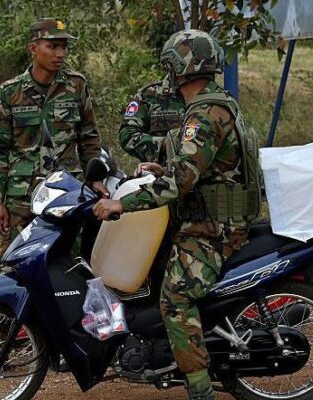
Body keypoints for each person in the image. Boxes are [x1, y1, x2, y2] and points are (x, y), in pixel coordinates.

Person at [94, 29, 261, 400]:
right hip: (212, 216)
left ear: (180, 69)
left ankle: (200, 389)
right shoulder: (215, 103)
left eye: (170, 66)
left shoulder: (204, 113)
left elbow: (181, 181)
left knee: (175, 298)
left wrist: (122, 204)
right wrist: (164, 167)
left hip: (213, 226)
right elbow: (196, 166)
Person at [0, 18, 105, 255]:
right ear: (34, 48)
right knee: (14, 260)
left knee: (70, 259)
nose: (60, 54)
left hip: (67, 193)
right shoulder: (10, 92)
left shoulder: (76, 86)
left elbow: (89, 137)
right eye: (52, 47)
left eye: (64, 47)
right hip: (22, 198)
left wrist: (95, 179)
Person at [118, 75, 186, 163]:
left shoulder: (203, 92)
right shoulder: (149, 95)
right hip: (162, 168)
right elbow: (127, 135)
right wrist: (166, 143)